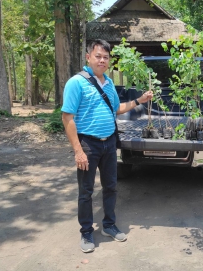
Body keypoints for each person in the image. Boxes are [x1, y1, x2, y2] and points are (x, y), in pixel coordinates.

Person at [61, 39, 153, 253]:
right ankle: (86, 232)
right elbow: (67, 118)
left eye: (105, 57)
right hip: (88, 145)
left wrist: (139, 100)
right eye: (98, 56)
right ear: (88, 57)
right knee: (86, 191)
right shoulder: (76, 83)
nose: (102, 60)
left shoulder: (109, 84)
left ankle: (109, 225)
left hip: (109, 143)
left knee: (111, 186)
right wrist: (78, 150)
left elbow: (118, 108)